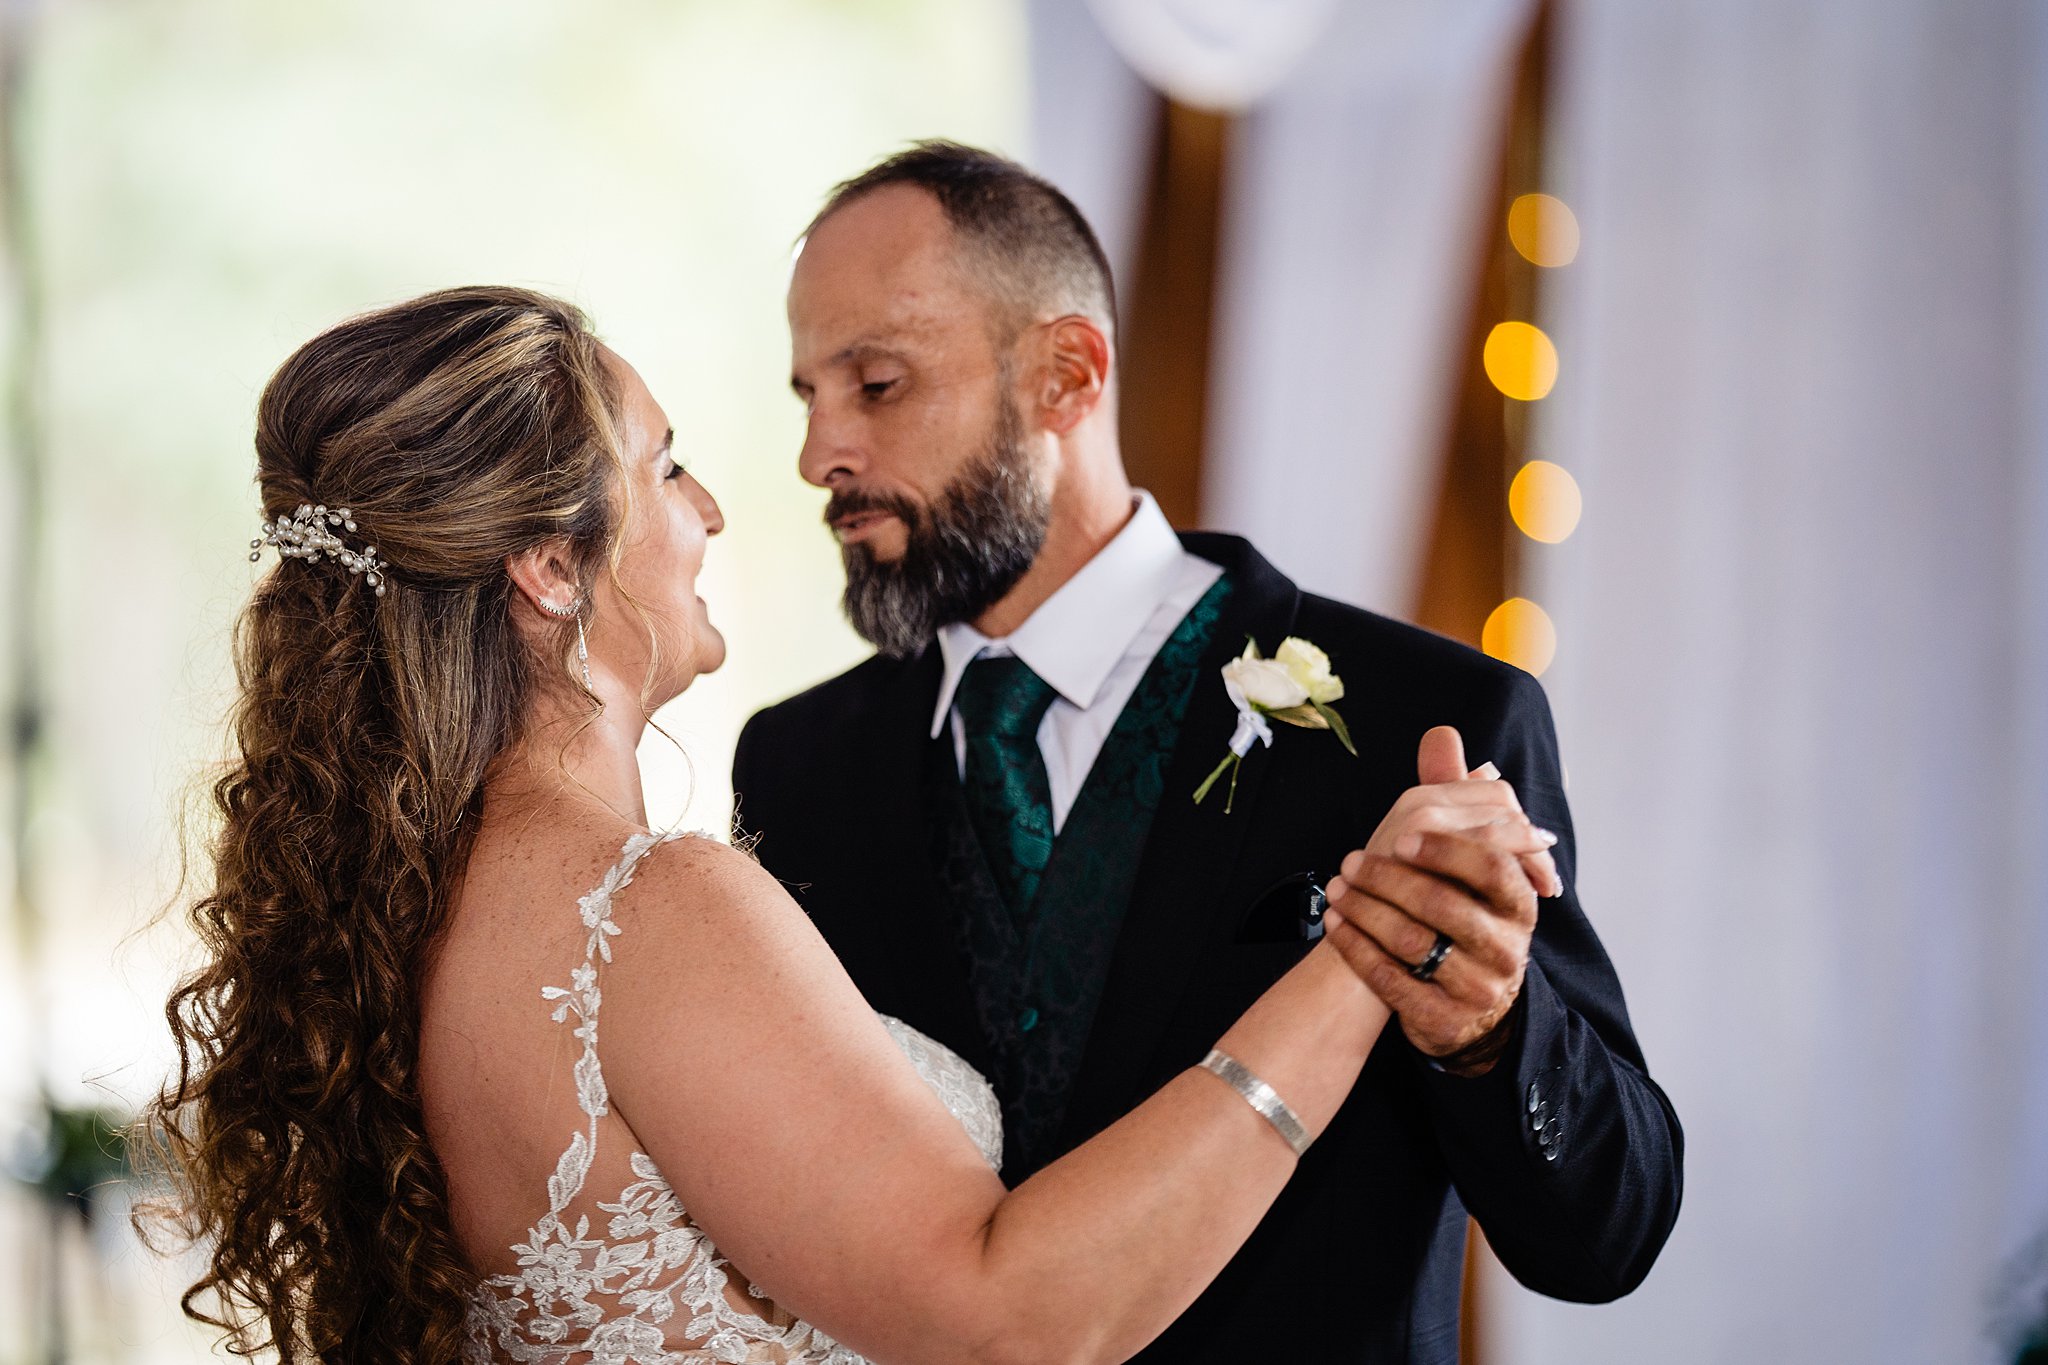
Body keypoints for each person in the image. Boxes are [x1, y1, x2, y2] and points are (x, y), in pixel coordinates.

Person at [139, 285, 1558, 1365]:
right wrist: (1370, 946)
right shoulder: (649, 907)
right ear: (550, 567)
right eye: (666, 467)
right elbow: (1005, 1319)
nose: (711, 509)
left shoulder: (412, 902)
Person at [732, 143, 1684, 1362]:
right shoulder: (797, 767)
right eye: (806, 396)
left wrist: (1492, 1030)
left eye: (875, 384)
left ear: (1067, 375)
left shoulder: (1426, 717)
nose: (819, 454)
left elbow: (1605, 1237)